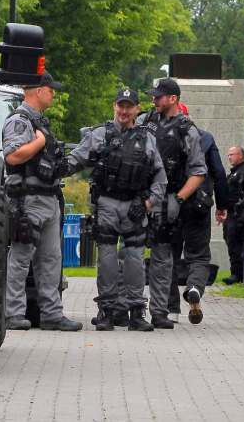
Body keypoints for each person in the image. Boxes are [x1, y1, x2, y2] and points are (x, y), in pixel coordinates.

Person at [63, 88, 167, 331]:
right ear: (114, 106)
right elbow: (75, 160)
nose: (124, 110)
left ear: (137, 109)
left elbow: (160, 177)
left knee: (134, 260)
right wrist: (51, 169)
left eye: (129, 106)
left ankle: (136, 312)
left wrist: (148, 203)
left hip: (135, 205)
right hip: (107, 203)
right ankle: (107, 310)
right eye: (120, 105)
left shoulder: (147, 138)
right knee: (108, 259)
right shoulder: (99, 134)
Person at [2, 72, 82, 331]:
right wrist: (40, 142)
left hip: (48, 198)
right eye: (50, 88)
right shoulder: (20, 120)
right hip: (28, 199)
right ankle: (13, 314)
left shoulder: (40, 122)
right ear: (38, 90)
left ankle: (52, 314)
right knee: (22, 256)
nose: (53, 93)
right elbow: (13, 156)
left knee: (51, 260)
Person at [139, 78, 206, 328]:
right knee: (132, 254)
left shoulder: (186, 129)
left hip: (167, 200)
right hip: (141, 197)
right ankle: (129, 309)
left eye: (158, 97)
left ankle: (160, 311)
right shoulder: (145, 121)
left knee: (163, 258)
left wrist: (178, 199)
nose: (153, 100)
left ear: (173, 99)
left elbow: (198, 172)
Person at [165, 125, 227, 324]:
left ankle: (171, 309)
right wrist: (222, 205)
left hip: (172, 203)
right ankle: (194, 288)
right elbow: (218, 173)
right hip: (198, 204)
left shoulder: (163, 135)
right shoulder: (205, 138)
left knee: (169, 255)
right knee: (199, 255)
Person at [223, 147, 244, 285]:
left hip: (238, 214)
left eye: (232, 154)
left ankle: (238, 274)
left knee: (235, 243)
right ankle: (236, 273)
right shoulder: (234, 172)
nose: (229, 157)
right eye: (228, 155)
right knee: (230, 241)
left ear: (240, 155)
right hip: (231, 213)